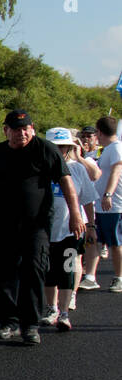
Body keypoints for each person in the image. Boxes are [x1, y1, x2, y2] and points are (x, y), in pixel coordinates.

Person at [0, 109, 84, 345]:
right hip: (5, 224)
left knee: (34, 270)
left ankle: (31, 325)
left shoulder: (45, 149)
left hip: (37, 225)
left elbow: (65, 180)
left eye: (26, 128)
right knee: (6, 273)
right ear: (6, 131)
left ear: (33, 128)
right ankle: (9, 322)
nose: (22, 133)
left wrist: (76, 214)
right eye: (16, 130)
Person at [42, 127, 98, 331]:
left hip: (70, 230)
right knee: (48, 272)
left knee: (67, 269)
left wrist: (90, 225)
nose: (60, 151)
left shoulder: (77, 169)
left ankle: (64, 313)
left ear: (69, 148)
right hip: (44, 230)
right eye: (56, 147)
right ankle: (51, 308)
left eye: (64, 147)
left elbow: (88, 200)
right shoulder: (39, 168)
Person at [81, 116, 122, 293]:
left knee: (115, 243)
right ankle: (90, 277)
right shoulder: (107, 149)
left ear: (99, 132)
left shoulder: (116, 148)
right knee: (94, 240)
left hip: (114, 205)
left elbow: (117, 170)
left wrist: (108, 194)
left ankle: (119, 277)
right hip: (101, 205)